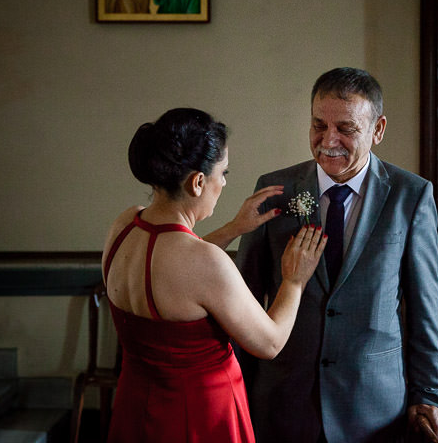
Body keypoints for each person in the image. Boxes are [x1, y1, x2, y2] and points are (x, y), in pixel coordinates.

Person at [236, 68, 438, 443]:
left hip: (372, 407)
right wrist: (236, 394)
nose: (327, 140)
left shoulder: (410, 196)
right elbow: (245, 302)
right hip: (284, 402)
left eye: (346, 129)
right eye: (319, 125)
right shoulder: (275, 191)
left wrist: (430, 394)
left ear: (378, 129)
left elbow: (424, 309)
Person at [102, 108, 326, 443]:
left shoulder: (125, 224)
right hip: (198, 416)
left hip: (137, 404)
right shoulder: (205, 263)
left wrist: (234, 228)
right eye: (223, 173)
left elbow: (170, 269)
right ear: (197, 182)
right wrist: (294, 281)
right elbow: (270, 342)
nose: (223, 182)